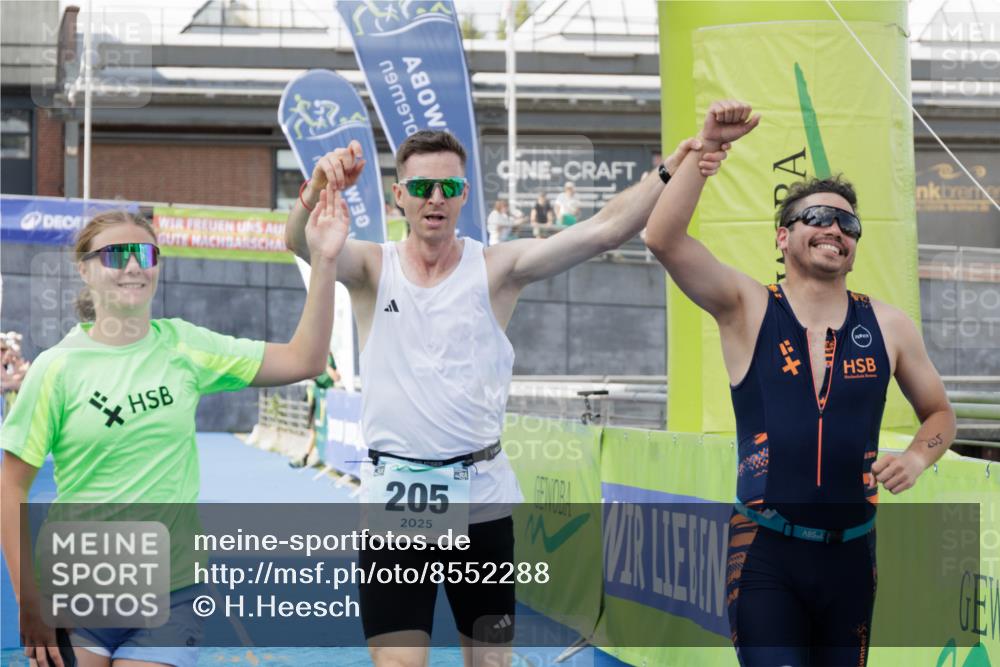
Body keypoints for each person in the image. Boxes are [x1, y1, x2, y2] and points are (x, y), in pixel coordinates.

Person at [285, 130, 730, 667]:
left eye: (448, 185)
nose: (435, 198)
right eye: (422, 186)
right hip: (396, 502)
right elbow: (298, 241)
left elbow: (605, 231)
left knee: (491, 662)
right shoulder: (371, 268)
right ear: (398, 195)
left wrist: (669, 170)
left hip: (482, 503)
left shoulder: (496, 269)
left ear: (464, 194)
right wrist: (314, 190)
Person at [644, 100, 956, 666]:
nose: (834, 229)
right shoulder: (747, 307)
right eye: (817, 218)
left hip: (852, 555)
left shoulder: (889, 324)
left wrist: (916, 458)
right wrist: (708, 148)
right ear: (782, 238)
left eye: (848, 223)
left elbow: (940, 414)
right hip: (765, 550)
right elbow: (663, 238)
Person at [1, 190, 349, 667]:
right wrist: (30, 600)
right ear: (84, 269)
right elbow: (10, 485)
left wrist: (325, 261)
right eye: (115, 255)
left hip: (171, 590)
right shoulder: (55, 368)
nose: (132, 266)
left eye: (144, 254)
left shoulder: (185, 347)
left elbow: (304, 358)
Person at [290, 351, 341, 468]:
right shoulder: (316, 354)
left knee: (324, 429)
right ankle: (307, 456)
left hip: (328, 400)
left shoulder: (332, 357)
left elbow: (336, 377)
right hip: (316, 398)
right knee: (313, 429)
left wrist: (325, 366)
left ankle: (313, 456)